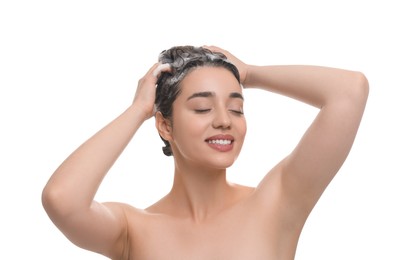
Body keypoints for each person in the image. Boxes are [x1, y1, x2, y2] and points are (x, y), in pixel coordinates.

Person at [42, 45, 369, 259]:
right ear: (165, 126)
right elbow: (61, 199)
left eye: (237, 109)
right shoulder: (132, 228)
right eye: (202, 108)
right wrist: (137, 110)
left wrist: (251, 73)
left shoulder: (277, 203)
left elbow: (349, 91)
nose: (225, 121)